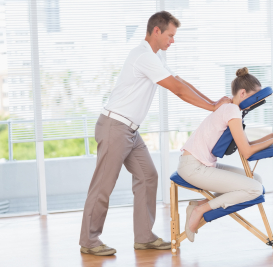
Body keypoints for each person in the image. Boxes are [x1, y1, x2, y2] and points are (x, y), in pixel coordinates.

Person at [79, 11, 231, 256]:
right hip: (115, 128)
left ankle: (144, 237)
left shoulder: (154, 57)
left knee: (148, 176)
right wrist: (213, 107)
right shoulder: (143, 56)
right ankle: (89, 240)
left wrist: (213, 102)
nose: (173, 41)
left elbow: (179, 80)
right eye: (170, 35)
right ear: (157, 31)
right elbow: (178, 90)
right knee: (103, 186)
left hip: (130, 131)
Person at [177, 67, 273, 242]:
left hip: (197, 164)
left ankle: (201, 204)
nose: (256, 104)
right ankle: (200, 210)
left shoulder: (230, 109)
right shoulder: (232, 111)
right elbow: (247, 152)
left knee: (256, 180)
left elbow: (246, 144)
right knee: (255, 189)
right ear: (242, 93)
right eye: (254, 99)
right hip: (193, 168)